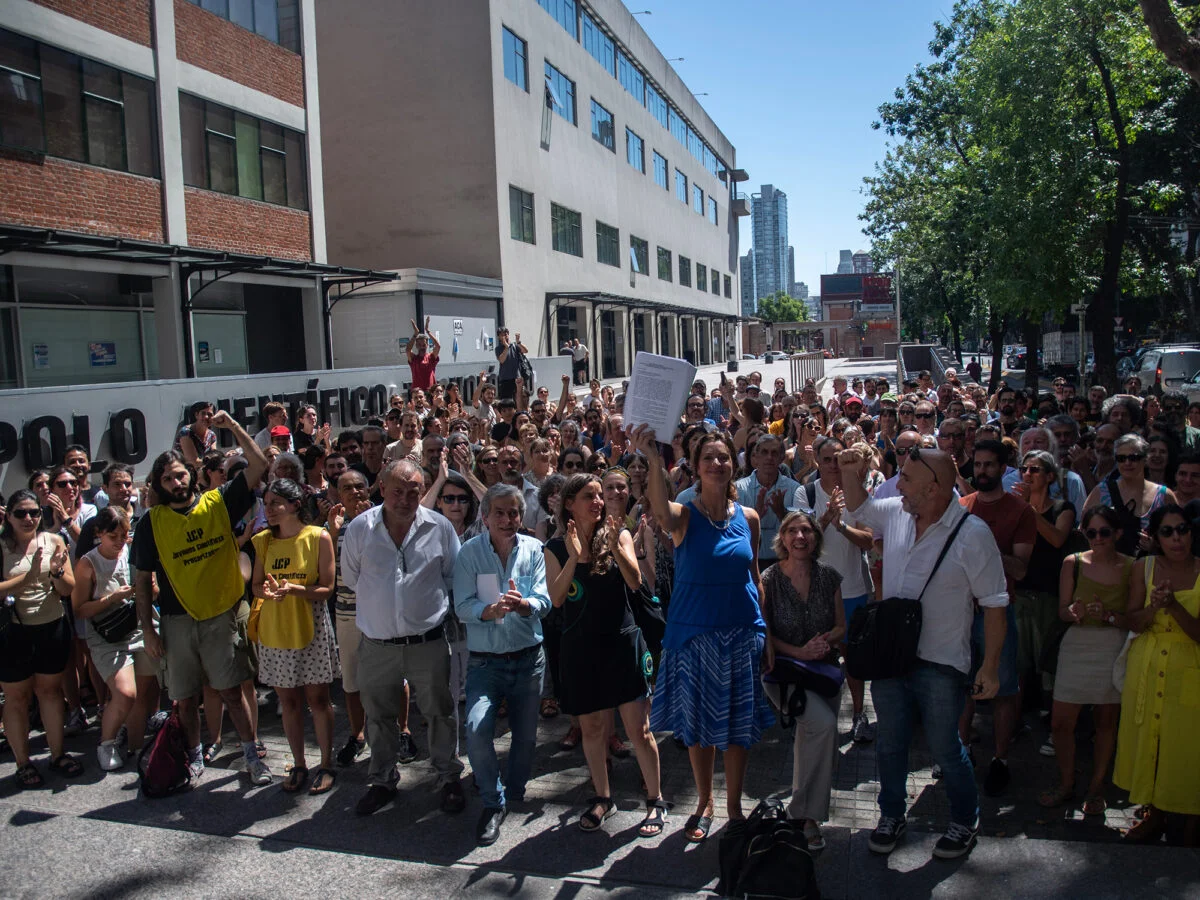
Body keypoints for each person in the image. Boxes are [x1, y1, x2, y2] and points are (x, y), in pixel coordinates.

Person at [837, 446, 1008, 859]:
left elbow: (995, 604)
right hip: (890, 658)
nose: (899, 485)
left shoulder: (973, 534)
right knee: (890, 744)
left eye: (908, 479)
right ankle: (892, 815)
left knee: (946, 746)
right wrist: (847, 470)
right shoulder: (896, 510)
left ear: (934, 488)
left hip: (942, 661)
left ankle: (964, 821)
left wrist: (990, 667)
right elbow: (859, 506)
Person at [629, 425, 773, 843]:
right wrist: (654, 460)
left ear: (734, 464)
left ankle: (733, 807)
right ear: (693, 467)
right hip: (693, 639)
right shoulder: (683, 516)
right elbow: (659, 508)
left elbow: (756, 579)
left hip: (743, 636)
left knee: (737, 729)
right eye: (708, 457)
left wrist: (767, 635)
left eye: (724, 457)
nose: (717, 463)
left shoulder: (749, 518)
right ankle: (704, 801)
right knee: (699, 730)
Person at [133, 411, 272, 784]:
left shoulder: (217, 503)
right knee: (184, 699)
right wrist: (148, 629)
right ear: (159, 485)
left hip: (220, 616)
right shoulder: (152, 522)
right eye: (168, 478)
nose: (177, 482)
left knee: (230, 691)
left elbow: (258, 464)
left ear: (190, 474)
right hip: (177, 621)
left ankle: (251, 756)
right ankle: (193, 758)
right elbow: (142, 580)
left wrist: (233, 428)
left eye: (180, 474)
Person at [340, 459, 466, 816]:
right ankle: (381, 780)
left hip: (428, 642)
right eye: (398, 490)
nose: (406, 498)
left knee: (441, 712)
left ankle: (448, 777)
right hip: (377, 645)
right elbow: (351, 578)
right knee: (378, 717)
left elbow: (452, 576)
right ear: (382, 489)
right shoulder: (359, 529)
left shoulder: (440, 527)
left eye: (414, 491)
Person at [544, 474, 666, 836]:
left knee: (638, 730)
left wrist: (613, 546)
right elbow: (557, 597)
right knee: (593, 728)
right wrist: (573, 555)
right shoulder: (555, 545)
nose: (598, 501)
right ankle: (603, 796)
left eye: (600, 495)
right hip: (581, 648)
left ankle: (655, 800)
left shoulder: (621, 533)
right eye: (588, 496)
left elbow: (635, 582)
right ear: (569, 503)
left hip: (622, 644)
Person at [453, 484, 552, 845]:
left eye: (514, 512)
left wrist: (525, 605)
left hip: (528, 659)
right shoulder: (469, 553)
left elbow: (544, 598)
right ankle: (492, 803)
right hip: (485, 663)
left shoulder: (534, 549)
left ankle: (513, 794)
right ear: (484, 516)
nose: (509, 519)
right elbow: (461, 606)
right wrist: (487, 611)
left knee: (525, 739)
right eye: (500, 512)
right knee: (477, 728)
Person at [1114, 504, 1200, 845]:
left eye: (1182, 530)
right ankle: (1155, 814)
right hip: (1147, 665)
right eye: (1167, 531)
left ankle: (1193, 820)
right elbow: (1130, 621)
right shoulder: (1142, 569)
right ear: (1156, 537)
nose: (1176, 538)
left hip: (1189, 667)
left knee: (1188, 745)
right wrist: (1154, 606)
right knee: (1151, 738)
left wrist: (1174, 607)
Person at [760, 510, 846, 852]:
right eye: (793, 531)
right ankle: (806, 817)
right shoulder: (768, 579)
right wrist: (799, 651)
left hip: (824, 671)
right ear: (782, 538)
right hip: (784, 673)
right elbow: (765, 632)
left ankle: (803, 813)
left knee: (810, 741)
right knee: (823, 727)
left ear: (816, 538)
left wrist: (823, 642)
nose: (800, 537)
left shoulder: (830, 576)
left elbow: (842, 625)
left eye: (807, 531)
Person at [1039, 506, 1130, 815]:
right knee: (1061, 723)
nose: (1098, 539)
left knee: (1106, 723)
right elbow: (1063, 610)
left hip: (1112, 647)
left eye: (1104, 532)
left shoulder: (1133, 568)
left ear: (1118, 533)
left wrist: (1109, 615)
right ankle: (1066, 783)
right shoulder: (1073, 563)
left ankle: (1096, 788)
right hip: (1076, 646)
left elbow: (1133, 618)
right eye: (1091, 533)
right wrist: (1074, 613)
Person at [251, 479, 339, 794]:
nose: (269, 509)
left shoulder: (318, 537)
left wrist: (294, 589)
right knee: (288, 702)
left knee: (318, 699)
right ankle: (299, 764)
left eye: (276, 503)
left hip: (310, 629)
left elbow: (327, 589)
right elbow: (256, 585)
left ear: (294, 505)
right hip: (275, 632)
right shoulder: (263, 541)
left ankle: (326, 763)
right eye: (266, 502)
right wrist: (268, 592)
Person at [959, 439, 1034, 797]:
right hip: (960, 612)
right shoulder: (960, 507)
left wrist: (986, 543)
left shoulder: (1020, 511)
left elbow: (1019, 568)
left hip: (997, 613)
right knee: (962, 688)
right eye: (978, 464)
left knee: (1003, 690)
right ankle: (961, 753)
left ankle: (1000, 759)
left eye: (990, 465)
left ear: (1004, 468)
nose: (983, 471)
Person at [795, 437, 876, 741]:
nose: (832, 465)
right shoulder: (807, 491)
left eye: (838, 459)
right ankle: (814, 718)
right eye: (826, 459)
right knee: (816, 655)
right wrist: (826, 519)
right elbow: (802, 539)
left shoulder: (859, 495)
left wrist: (841, 525)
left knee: (853, 658)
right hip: (817, 590)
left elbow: (868, 541)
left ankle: (858, 715)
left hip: (855, 588)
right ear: (816, 460)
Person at [0, 490, 80, 786]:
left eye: (34, 512)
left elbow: (68, 589)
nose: (29, 518)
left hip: (51, 626)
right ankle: (23, 762)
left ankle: (57, 754)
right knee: (17, 697)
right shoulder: (2, 546)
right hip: (13, 631)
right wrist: (29, 575)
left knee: (50, 691)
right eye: (20, 513)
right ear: (8, 516)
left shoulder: (54, 541)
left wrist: (57, 571)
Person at [70, 506, 159, 771]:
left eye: (124, 534)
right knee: (124, 693)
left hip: (138, 626)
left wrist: (147, 587)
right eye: (113, 536)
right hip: (106, 635)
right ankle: (106, 742)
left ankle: (133, 748)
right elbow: (79, 609)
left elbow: (153, 592)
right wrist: (112, 598)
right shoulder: (87, 563)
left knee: (140, 696)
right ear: (99, 534)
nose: (120, 541)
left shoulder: (133, 553)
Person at [1009, 450, 1076, 728]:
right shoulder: (1015, 507)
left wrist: (1029, 511)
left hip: (1049, 594)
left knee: (1049, 664)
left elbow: (1057, 539)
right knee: (1019, 664)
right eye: (1024, 469)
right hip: (1021, 593)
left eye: (1035, 470)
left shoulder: (1063, 509)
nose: (1027, 474)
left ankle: (1053, 724)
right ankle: (1014, 722)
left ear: (1050, 476)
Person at [326, 469, 373, 767]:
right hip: (346, 613)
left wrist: (372, 525)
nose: (355, 492)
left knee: (393, 679)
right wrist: (331, 533)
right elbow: (324, 569)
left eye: (359, 487)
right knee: (352, 681)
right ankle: (357, 735)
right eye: (347, 488)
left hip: (380, 612)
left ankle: (401, 731)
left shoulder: (383, 518)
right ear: (338, 494)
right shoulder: (331, 527)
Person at [1084, 434, 1176, 557]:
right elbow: (1084, 529)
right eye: (1121, 458)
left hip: (1151, 567)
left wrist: (1156, 545)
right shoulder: (1101, 491)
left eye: (1133, 458)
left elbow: (1179, 534)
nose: (1127, 463)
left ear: (1145, 459)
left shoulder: (1165, 495)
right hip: (1111, 567)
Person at [736, 434, 801, 566]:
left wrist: (782, 514)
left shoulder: (795, 489)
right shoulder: (738, 489)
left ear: (781, 458)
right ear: (755, 457)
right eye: (764, 452)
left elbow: (801, 531)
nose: (769, 457)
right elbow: (733, 531)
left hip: (786, 562)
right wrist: (755, 517)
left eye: (774, 453)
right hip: (748, 562)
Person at [407, 316, 441, 391]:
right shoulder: (414, 359)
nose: (422, 347)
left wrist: (427, 331)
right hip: (417, 392)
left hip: (430, 391)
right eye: (419, 345)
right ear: (416, 346)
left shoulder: (431, 357)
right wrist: (415, 334)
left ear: (427, 345)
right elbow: (408, 350)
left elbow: (438, 346)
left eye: (423, 345)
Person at [495, 328, 528, 401]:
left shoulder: (514, 345)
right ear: (499, 337)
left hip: (517, 378)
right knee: (507, 402)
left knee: (519, 400)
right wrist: (506, 347)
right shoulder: (498, 348)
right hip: (505, 379)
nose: (505, 336)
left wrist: (518, 342)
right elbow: (501, 360)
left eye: (506, 334)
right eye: (502, 335)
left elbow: (525, 350)